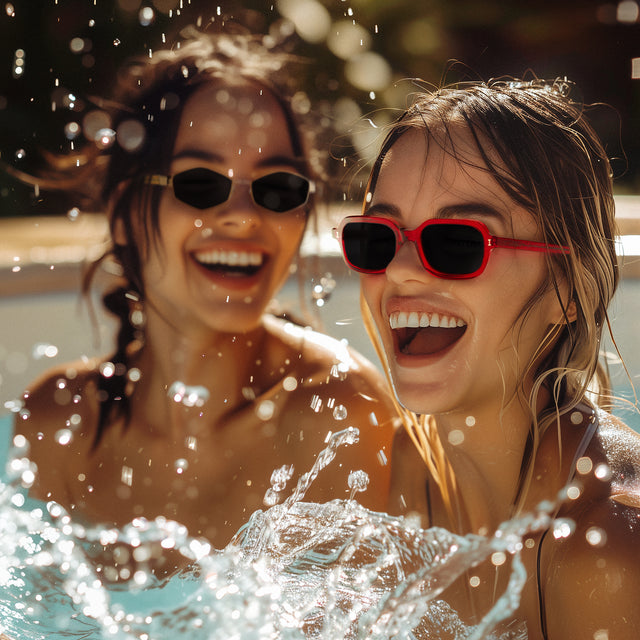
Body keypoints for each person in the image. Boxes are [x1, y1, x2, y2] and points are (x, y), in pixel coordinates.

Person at [14, 28, 395, 565]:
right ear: (124, 212)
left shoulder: (336, 415)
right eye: (199, 182)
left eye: (277, 188)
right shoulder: (57, 423)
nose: (243, 214)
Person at [336, 78, 640, 638]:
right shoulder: (379, 473)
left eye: (456, 242)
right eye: (378, 239)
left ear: (566, 289)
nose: (400, 270)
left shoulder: (608, 554)